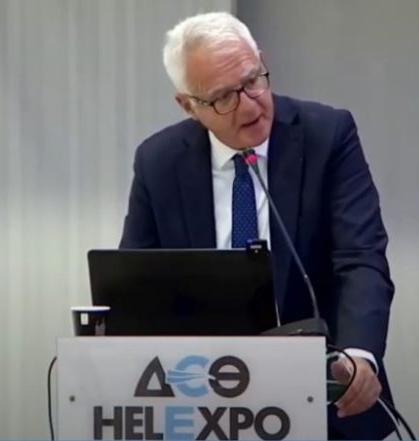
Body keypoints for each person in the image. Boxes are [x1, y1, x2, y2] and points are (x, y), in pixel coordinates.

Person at [119, 11, 397, 440]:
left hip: (324, 397)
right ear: (188, 105)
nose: (249, 105)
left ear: (261, 61)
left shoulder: (327, 135)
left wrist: (358, 356)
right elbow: (134, 286)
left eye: (252, 80)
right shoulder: (158, 162)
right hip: (202, 407)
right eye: (223, 97)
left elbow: (360, 258)